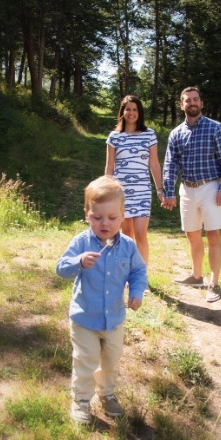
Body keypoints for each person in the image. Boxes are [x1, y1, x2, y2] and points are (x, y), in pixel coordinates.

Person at [55, 175, 147, 425]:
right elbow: (61, 268)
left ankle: (106, 394)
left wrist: (137, 293)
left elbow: (138, 271)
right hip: (85, 317)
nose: (104, 223)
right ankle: (82, 401)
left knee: (111, 359)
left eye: (112, 217)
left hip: (114, 319)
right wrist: (78, 261)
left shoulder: (127, 246)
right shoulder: (82, 242)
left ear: (122, 215)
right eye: (97, 217)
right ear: (87, 214)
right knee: (85, 359)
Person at [161, 86, 221, 303]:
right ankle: (196, 276)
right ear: (181, 105)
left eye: (195, 100)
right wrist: (169, 191)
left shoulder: (215, 128)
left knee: (213, 236)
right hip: (187, 189)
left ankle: (214, 283)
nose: (192, 103)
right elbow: (170, 164)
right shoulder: (176, 133)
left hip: (210, 188)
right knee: (192, 234)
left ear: (201, 103)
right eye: (187, 100)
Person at [105, 95, 164, 268]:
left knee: (141, 234)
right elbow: (109, 167)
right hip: (120, 192)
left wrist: (160, 189)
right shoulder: (114, 137)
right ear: (122, 112)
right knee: (126, 234)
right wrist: (106, 190)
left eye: (135, 109)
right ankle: (126, 272)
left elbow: (154, 164)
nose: (131, 113)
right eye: (128, 109)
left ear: (140, 112)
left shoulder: (149, 134)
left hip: (142, 191)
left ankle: (141, 275)